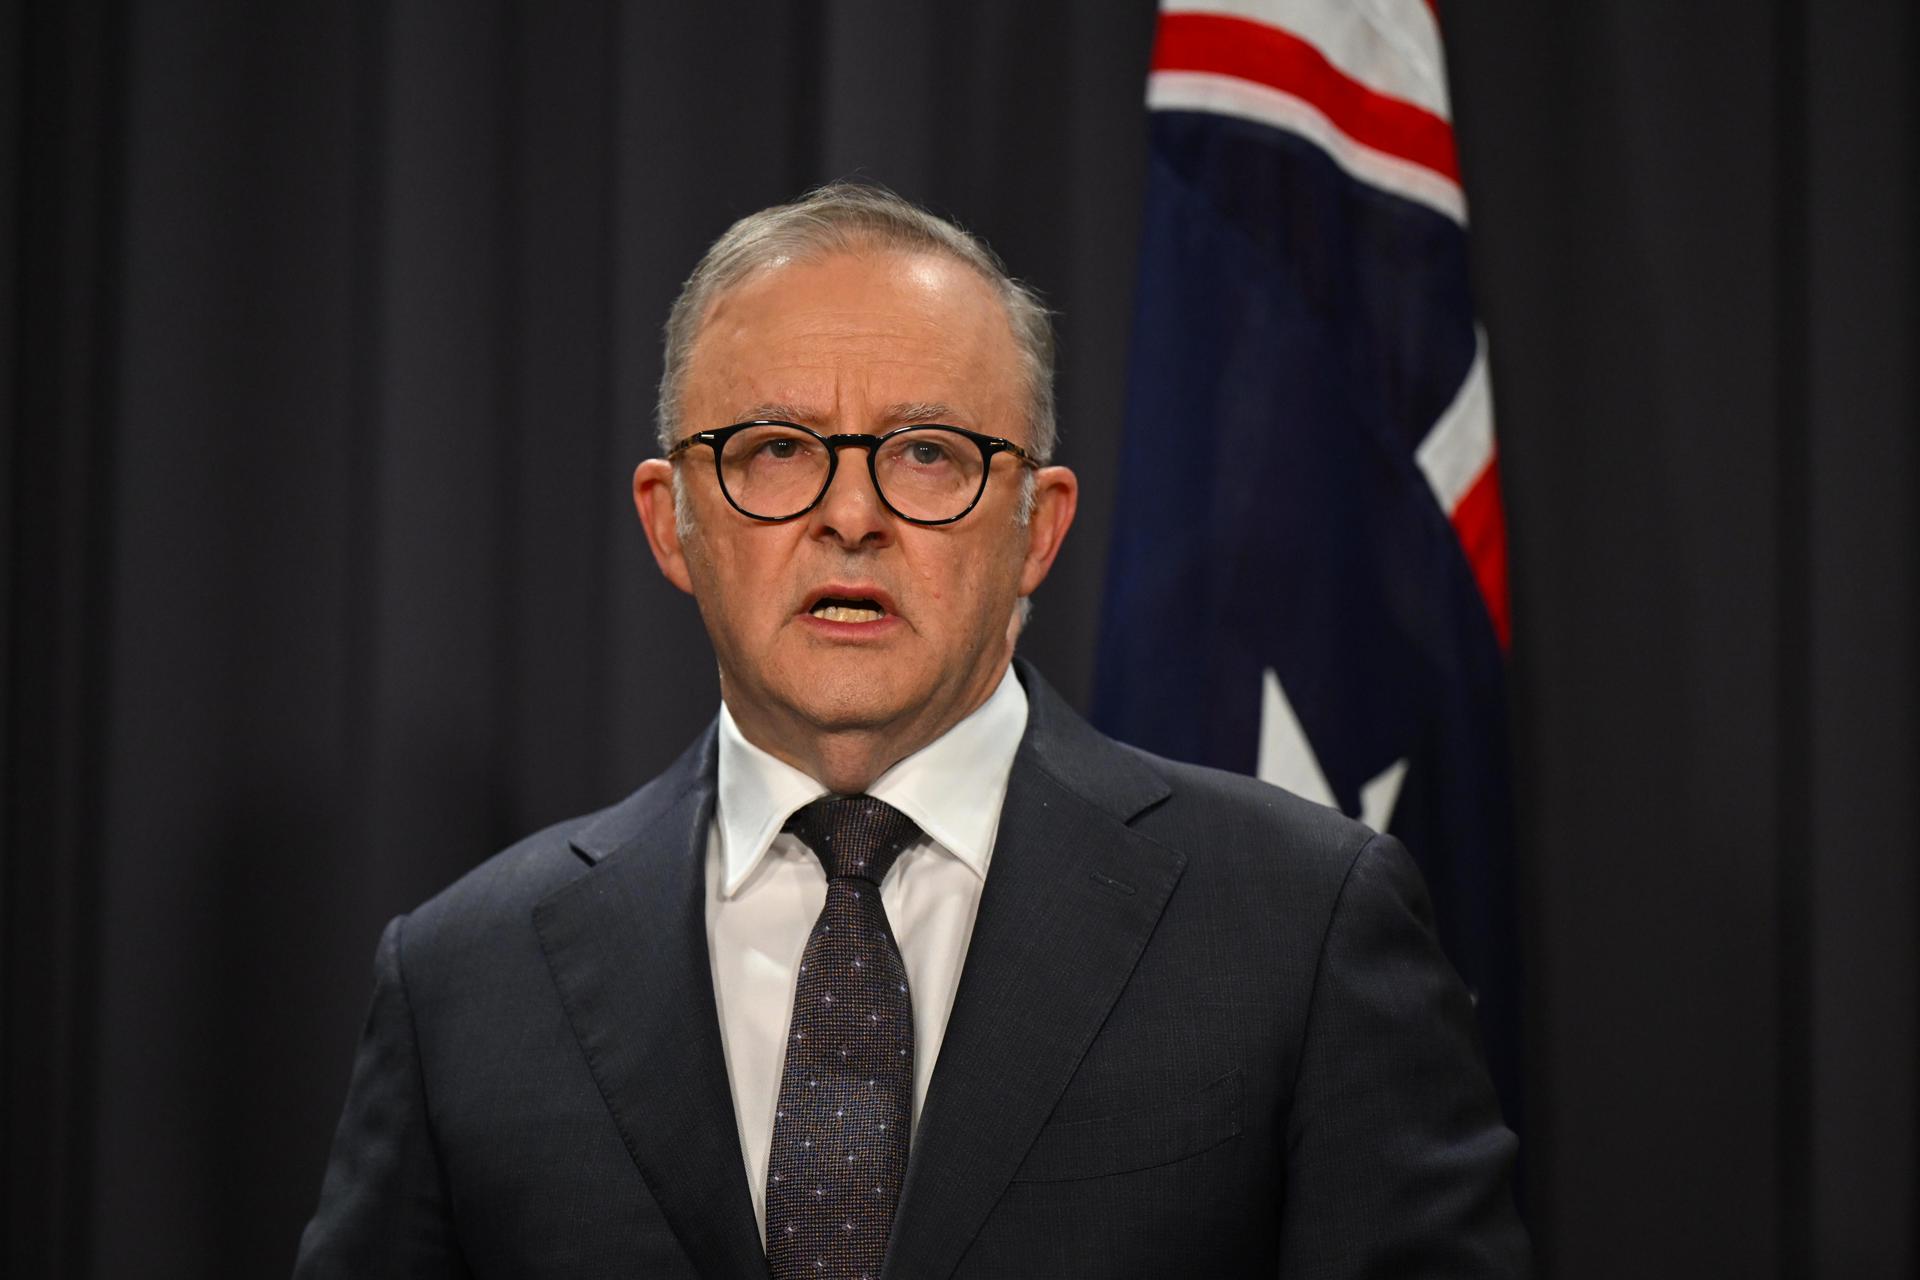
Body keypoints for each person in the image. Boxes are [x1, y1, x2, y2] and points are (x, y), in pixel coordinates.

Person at [295, 183, 1529, 1278]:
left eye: (927, 454)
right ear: (671, 523)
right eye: (775, 448)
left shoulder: (1300, 924)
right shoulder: (465, 977)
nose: (849, 515)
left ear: (1037, 528)